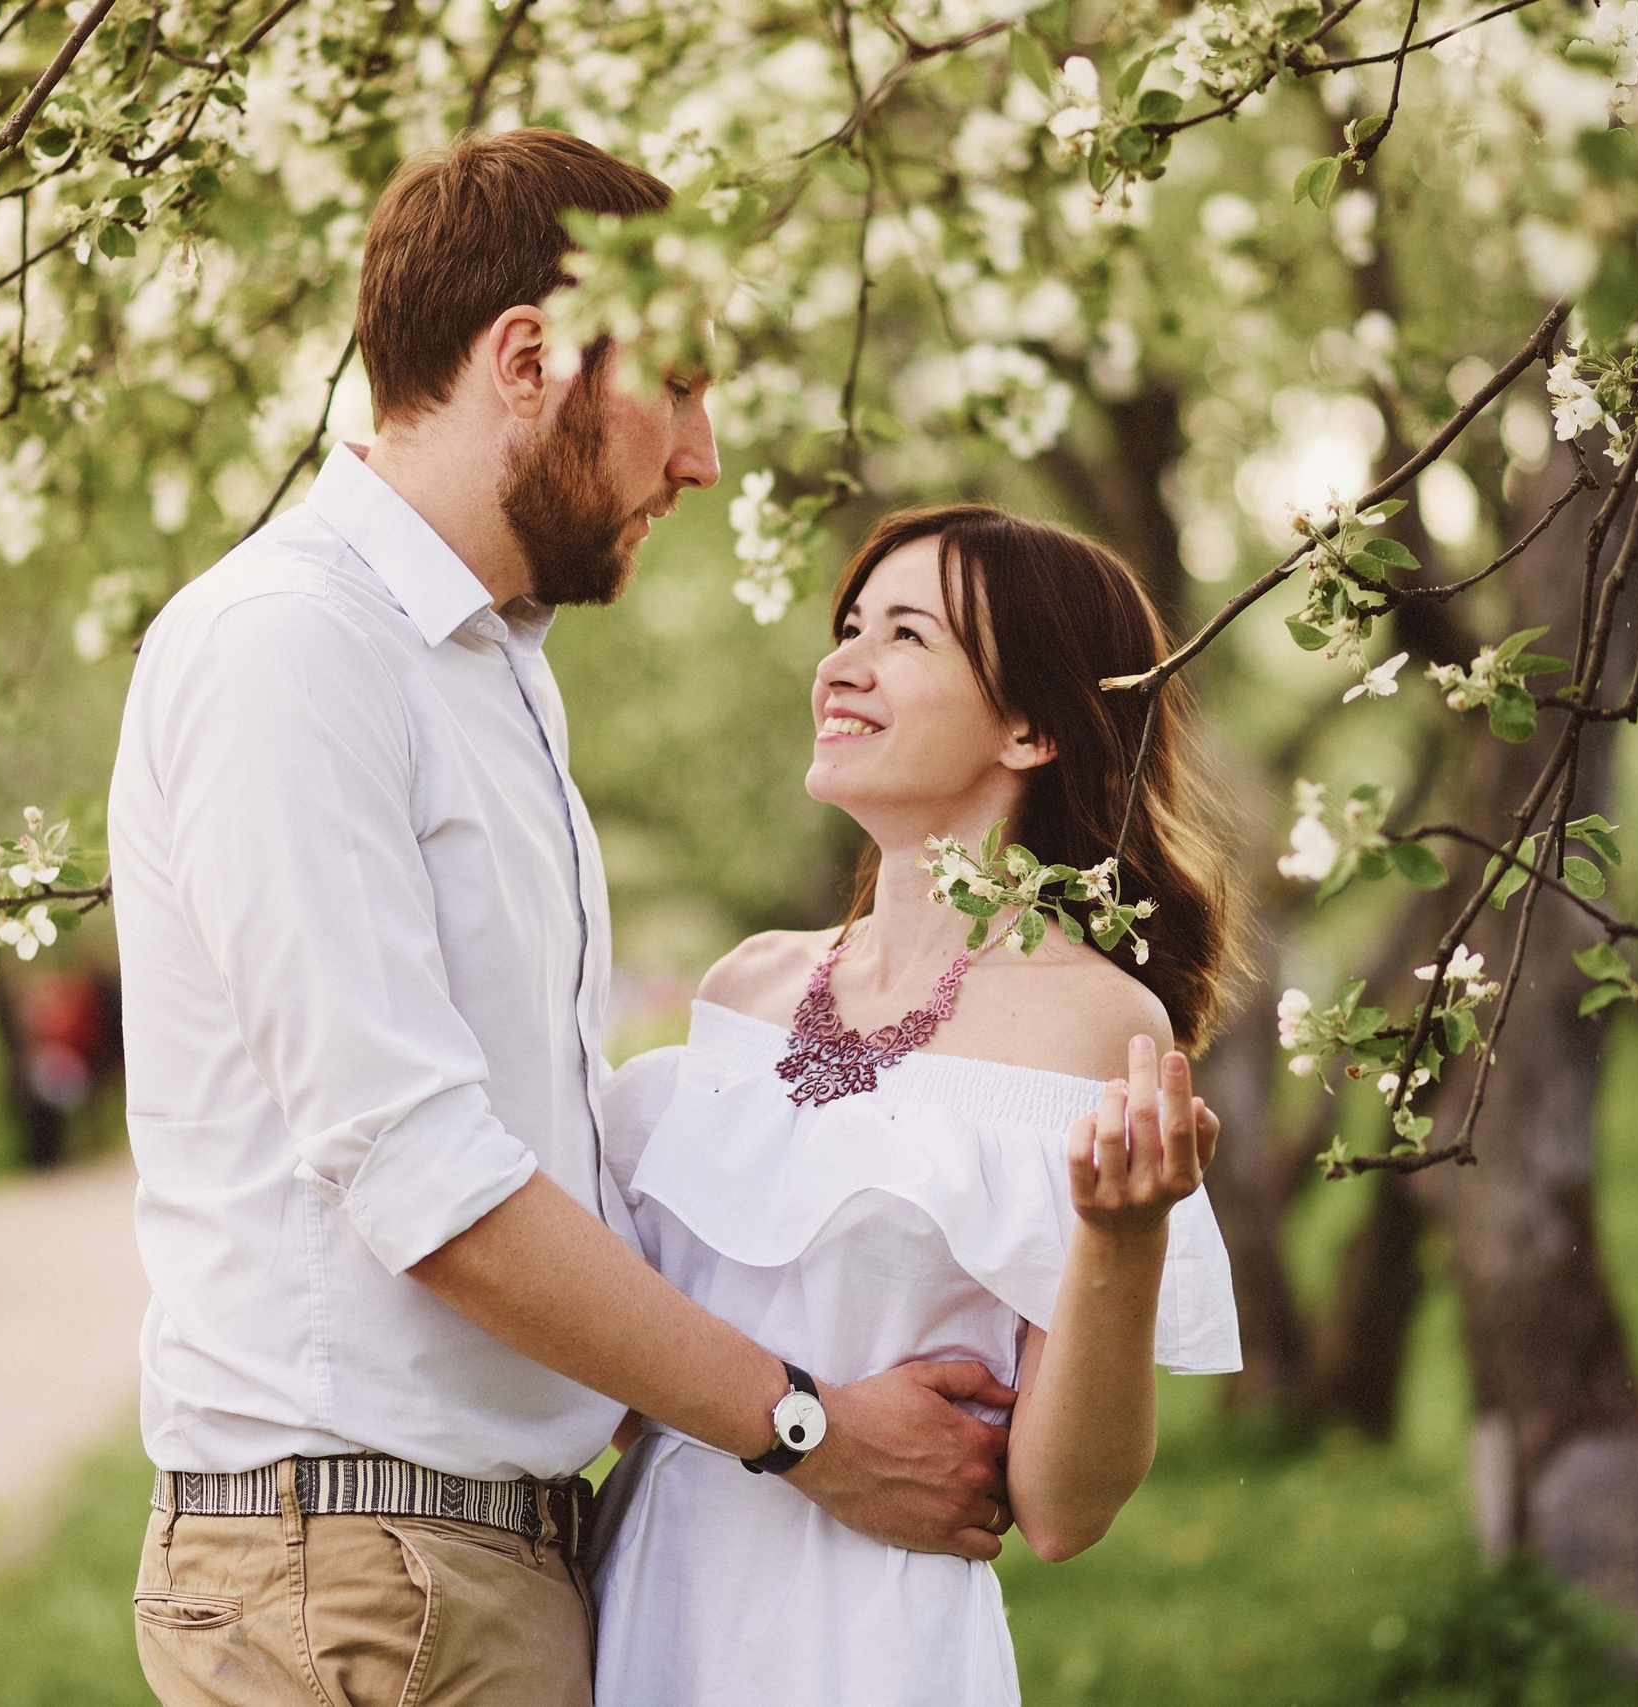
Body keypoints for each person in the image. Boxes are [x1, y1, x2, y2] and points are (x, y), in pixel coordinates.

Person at [109, 131, 1055, 1707]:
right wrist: (800, 1421)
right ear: (530, 359)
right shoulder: (289, 647)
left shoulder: (492, 669)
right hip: (359, 1572)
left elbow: (535, 1146)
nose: (700, 455)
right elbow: (424, 1175)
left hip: (482, 1558)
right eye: (676, 386)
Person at [586, 507, 1245, 1706]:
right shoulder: (745, 987)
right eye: (847, 627)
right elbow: (633, 1392)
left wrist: (1123, 1236)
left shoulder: (1094, 1026)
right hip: (640, 1597)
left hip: (863, 1640)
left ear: (1032, 724)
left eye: (904, 634)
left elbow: (1062, 1509)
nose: (840, 664)